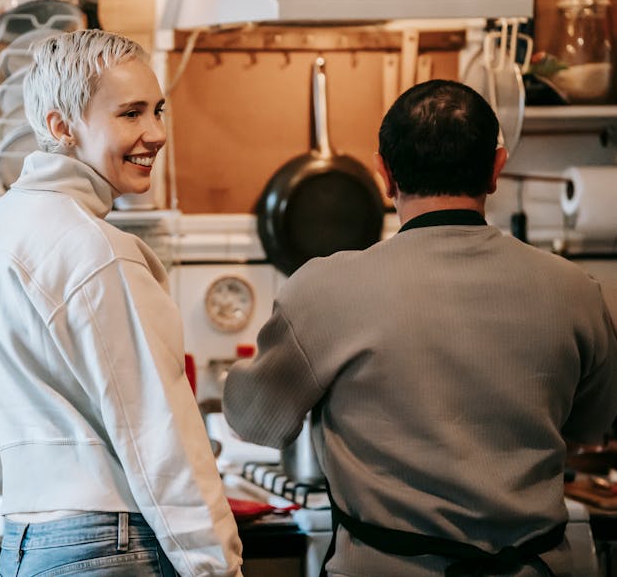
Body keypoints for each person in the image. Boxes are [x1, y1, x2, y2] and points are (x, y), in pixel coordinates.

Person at [222, 79, 617, 576]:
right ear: (497, 168)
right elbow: (591, 427)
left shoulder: (324, 290)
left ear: (384, 174)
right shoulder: (577, 290)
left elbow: (253, 419)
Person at [0, 30, 243, 577]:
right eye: (130, 114)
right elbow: (160, 432)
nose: (156, 133)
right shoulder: (96, 249)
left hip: (28, 544)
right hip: (109, 542)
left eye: (157, 110)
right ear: (61, 127)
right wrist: (217, 565)